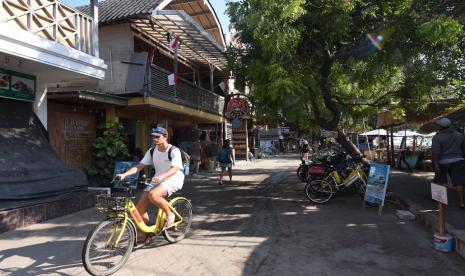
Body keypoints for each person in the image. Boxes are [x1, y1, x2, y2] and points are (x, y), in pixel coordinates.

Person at [116, 127, 185, 229]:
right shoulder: (152, 151)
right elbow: (140, 166)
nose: (154, 139)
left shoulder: (174, 151)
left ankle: (169, 214)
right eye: (153, 137)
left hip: (174, 178)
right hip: (157, 179)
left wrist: (160, 176)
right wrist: (124, 174)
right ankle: (146, 234)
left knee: (153, 195)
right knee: (139, 209)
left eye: (157, 137)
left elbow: (174, 169)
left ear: (165, 137)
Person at [432, 118, 465, 209]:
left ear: (440, 126)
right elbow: (463, 149)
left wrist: (436, 164)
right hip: (459, 160)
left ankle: (440, 202)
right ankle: (462, 203)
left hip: (444, 161)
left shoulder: (437, 137)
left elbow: (436, 152)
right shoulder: (459, 135)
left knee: (440, 181)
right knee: (459, 182)